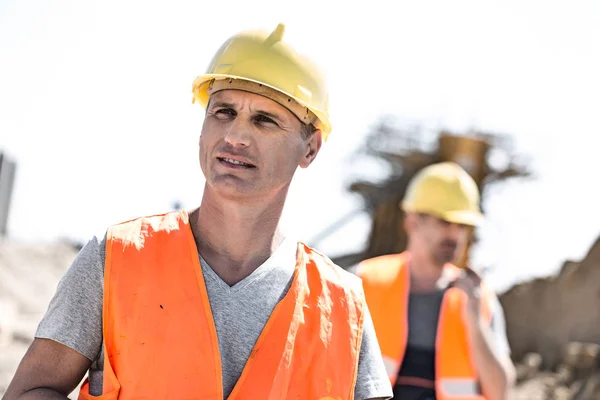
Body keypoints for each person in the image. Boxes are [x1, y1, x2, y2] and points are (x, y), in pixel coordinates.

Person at [5, 23, 393, 400]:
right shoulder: (116, 259)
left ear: (310, 148)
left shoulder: (343, 306)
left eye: (264, 120)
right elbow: (31, 391)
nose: (235, 137)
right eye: (223, 112)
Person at [355, 162, 516, 400]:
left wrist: (474, 322)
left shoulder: (479, 300)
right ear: (412, 221)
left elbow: (501, 393)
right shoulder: (363, 281)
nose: (454, 235)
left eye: (462, 225)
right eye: (444, 221)